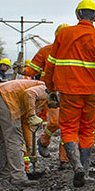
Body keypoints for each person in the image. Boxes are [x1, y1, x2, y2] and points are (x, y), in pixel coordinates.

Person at [44, 0, 95, 187]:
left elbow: (50, 64)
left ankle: (76, 166)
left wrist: (50, 88)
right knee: (87, 129)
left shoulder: (63, 34)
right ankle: (85, 169)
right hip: (91, 91)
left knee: (68, 128)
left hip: (67, 91)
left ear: (77, 15)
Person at [0, 78, 47, 186]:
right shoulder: (45, 89)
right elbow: (29, 94)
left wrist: (30, 148)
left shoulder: (37, 92)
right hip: (5, 101)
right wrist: (32, 115)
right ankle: (18, 177)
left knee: (4, 139)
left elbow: (26, 125)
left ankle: (5, 174)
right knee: (14, 140)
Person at [26, 24, 69, 162]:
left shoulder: (73, 52)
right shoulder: (46, 51)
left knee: (67, 126)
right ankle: (43, 141)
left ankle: (64, 160)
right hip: (50, 93)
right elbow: (33, 70)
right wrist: (23, 70)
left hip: (68, 92)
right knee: (55, 122)